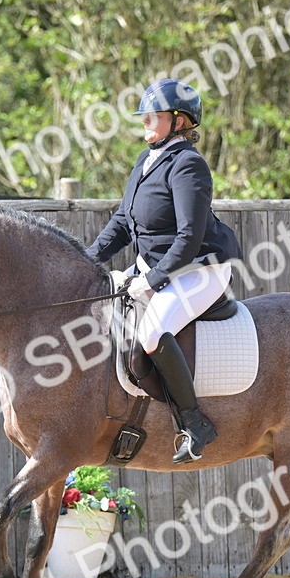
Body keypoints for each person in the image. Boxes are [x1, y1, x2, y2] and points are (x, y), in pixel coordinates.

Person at [85, 79, 242, 464]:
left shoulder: (189, 164)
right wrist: (85, 261)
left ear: (179, 121)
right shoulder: (146, 160)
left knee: (153, 332)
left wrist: (152, 281)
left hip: (199, 268)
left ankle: (195, 423)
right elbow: (121, 223)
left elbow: (189, 236)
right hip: (155, 267)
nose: (145, 121)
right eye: (145, 115)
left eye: (153, 115)